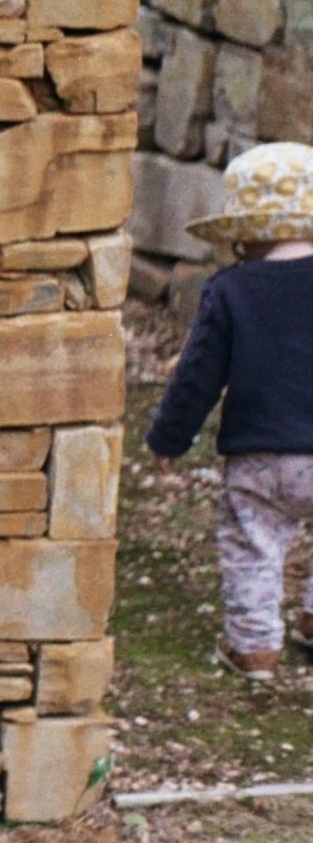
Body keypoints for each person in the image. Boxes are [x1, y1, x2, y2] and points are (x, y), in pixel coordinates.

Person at [145, 141, 313, 681]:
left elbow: (199, 375)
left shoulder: (231, 289)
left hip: (259, 456)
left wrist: (169, 438)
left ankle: (255, 648)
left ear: (243, 231)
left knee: (254, 546)